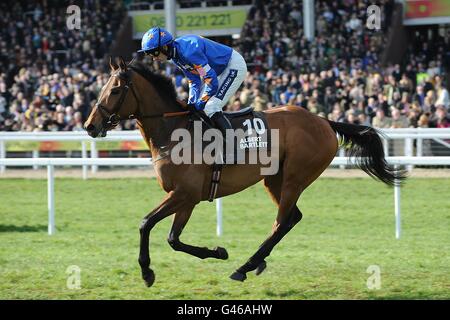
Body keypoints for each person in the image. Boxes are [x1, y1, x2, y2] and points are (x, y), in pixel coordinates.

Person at [138, 27, 248, 162]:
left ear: (165, 47)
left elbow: (210, 80)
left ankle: (234, 150)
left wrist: (200, 102)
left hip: (233, 65)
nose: (154, 58)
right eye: (150, 54)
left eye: (154, 53)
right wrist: (191, 103)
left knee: (210, 106)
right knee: (194, 110)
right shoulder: (176, 56)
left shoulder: (189, 52)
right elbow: (194, 81)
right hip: (219, 71)